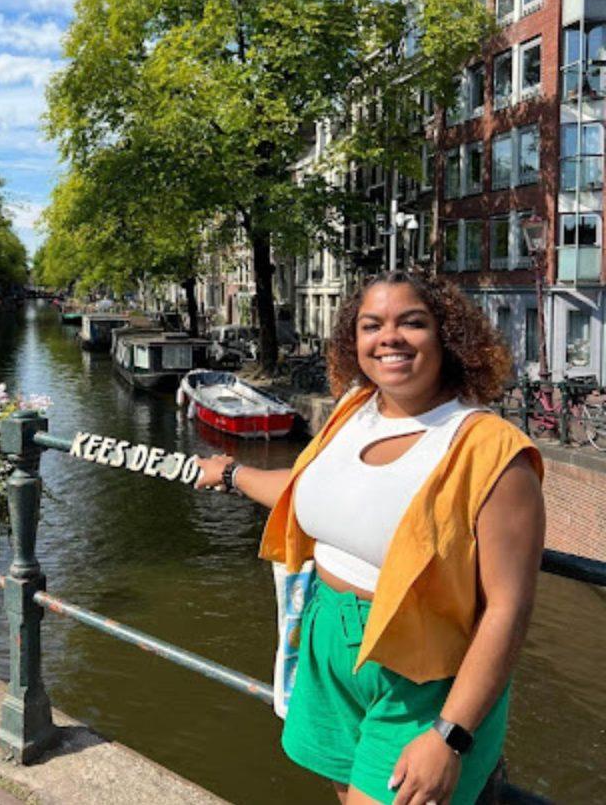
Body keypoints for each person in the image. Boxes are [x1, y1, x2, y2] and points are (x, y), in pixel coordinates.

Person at [195, 271, 545, 805]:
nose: (390, 337)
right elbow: (309, 490)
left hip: (422, 675)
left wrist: (450, 734)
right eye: (371, 325)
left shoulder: (492, 450)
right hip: (325, 641)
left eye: (413, 322)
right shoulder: (353, 411)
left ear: (446, 335)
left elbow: (508, 608)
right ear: (352, 340)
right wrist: (231, 475)